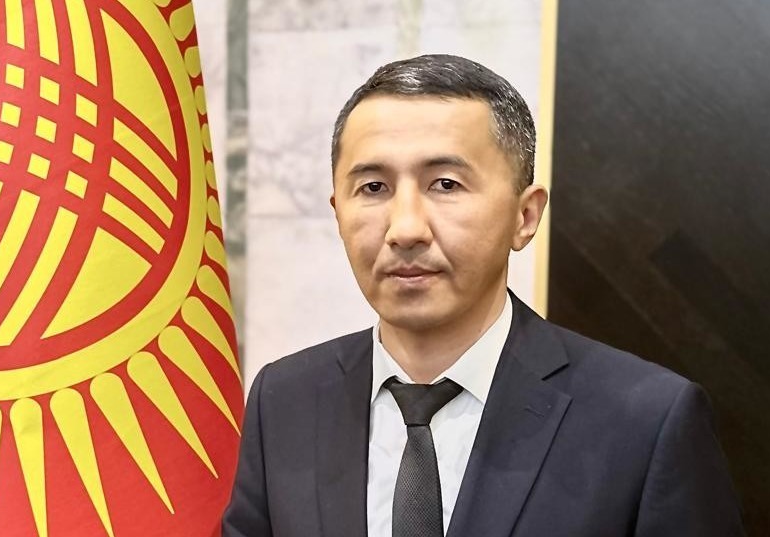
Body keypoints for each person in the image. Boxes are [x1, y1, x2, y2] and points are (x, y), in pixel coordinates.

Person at [222, 54, 743, 537]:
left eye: (445, 184)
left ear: (525, 215)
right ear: (338, 211)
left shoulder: (646, 421)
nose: (405, 229)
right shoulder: (284, 400)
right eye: (374, 188)